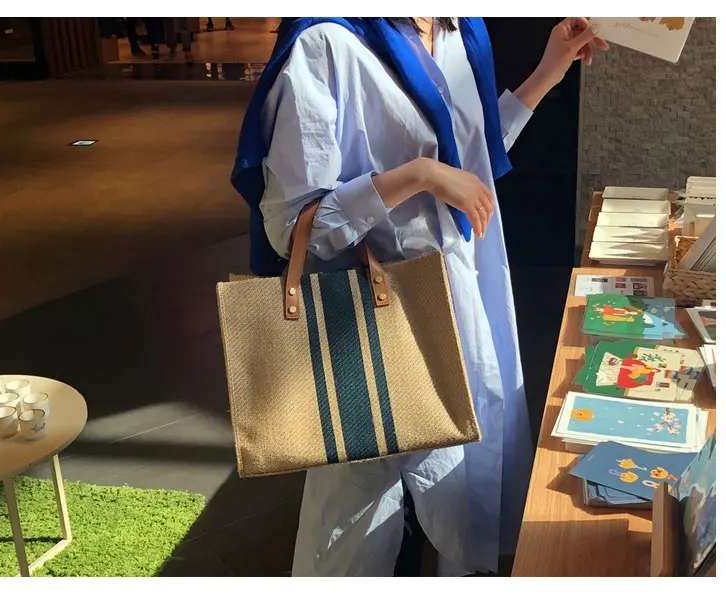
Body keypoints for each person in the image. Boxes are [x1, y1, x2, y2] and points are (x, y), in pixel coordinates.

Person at [232, 17, 608, 576]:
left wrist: (548, 73)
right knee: (358, 513)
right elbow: (295, 226)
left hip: (461, 299)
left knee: (461, 489)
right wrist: (420, 175)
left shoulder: (460, 32)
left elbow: (472, 160)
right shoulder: (327, 42)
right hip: (372, 318)